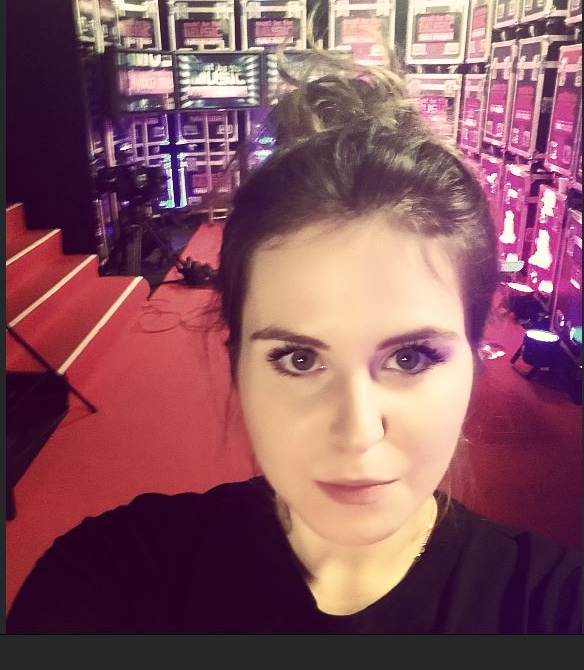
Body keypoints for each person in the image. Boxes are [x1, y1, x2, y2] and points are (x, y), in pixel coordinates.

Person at [7, 50, 581, 635]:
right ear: (236, 363)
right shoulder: (112, 576)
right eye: (300, 359)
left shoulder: (555, 604)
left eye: (410, 358)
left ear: (474, 360)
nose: (357, 432)